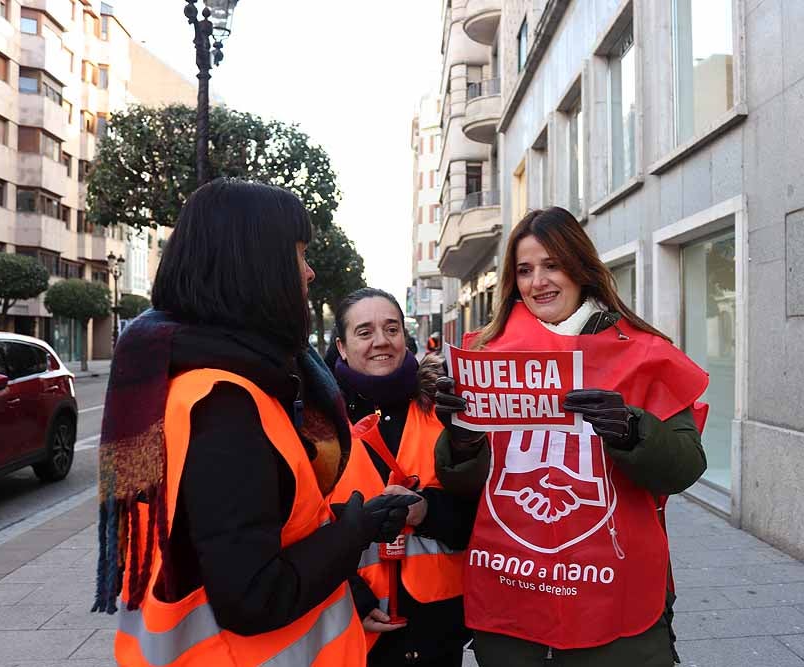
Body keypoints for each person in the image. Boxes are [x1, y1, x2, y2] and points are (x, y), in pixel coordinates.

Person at [92, 178, 418, 666]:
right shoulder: (224, 401)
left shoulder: (217, 378)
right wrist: (353, 532)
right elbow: (254, 597)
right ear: (255, 268)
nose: (308, 273)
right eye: (298, 254)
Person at [434, 207, 710, 667]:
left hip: (617, 601)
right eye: (524, 270)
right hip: (511, 593)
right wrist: (462, 439)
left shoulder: (644, 352)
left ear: (580, 267)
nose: (537, 281)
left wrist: (631, 430)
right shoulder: (484, 353)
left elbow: (685, 466)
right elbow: (465, 486)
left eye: (552, 265)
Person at [327, 287, 475, 667]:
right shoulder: (319, 425)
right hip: (351, 625)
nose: (381, 341)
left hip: (437, 628)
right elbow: (300, 527)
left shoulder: (445, 411)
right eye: (365, 332)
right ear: (342, 347)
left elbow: (481, 518)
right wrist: (352, 597)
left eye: (391, 329)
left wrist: (426, 512)